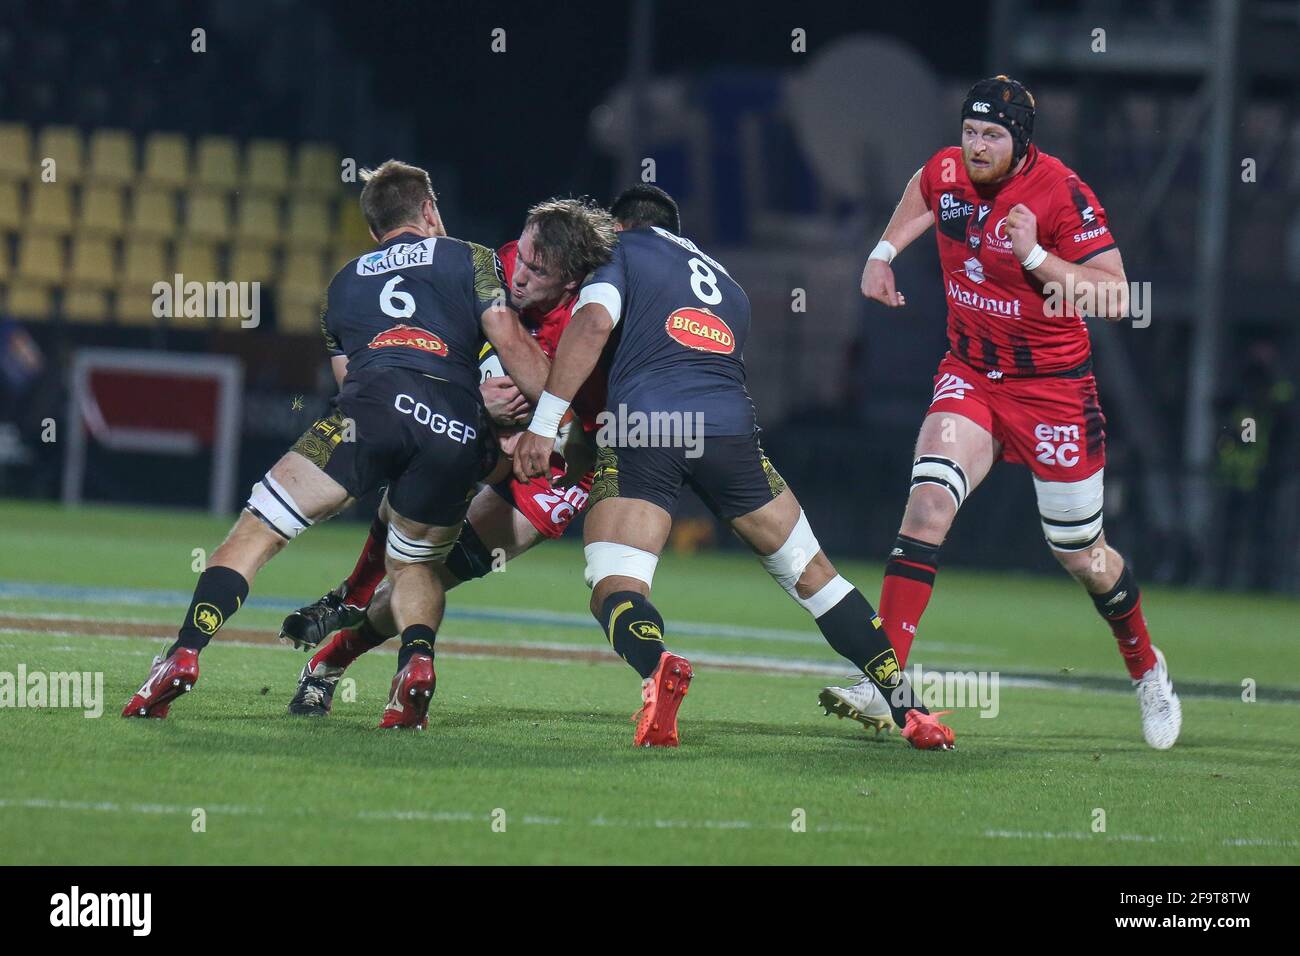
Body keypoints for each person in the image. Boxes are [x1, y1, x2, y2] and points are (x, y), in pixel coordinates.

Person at [514, 184, 954, 749]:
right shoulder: (729, 285)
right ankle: (911, 710)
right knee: (815, 576)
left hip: (644, 427)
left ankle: (657, 668)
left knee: (614, 583)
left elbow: (595, 323)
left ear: (620, 227)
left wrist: (545, 423)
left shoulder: (617, 253)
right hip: (729, 434)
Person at [123, 160, 549, 730]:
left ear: (375, 229)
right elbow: (510, 341)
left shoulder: (344, 283)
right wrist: (549, 409)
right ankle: (415, 665)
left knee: (258, 530)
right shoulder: (468, 258)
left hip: (368, 414)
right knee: (416, 564)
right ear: (428, 209)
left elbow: (350, 382)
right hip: (455, 427)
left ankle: (183, 652)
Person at [835, 75, 1181, 748]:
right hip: (970, 375)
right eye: (970, 131)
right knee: (927, 507)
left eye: (992, 134)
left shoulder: (1061, 193)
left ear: (1021, 142)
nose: (975, 146)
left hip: (1053, 390)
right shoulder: (947, 168)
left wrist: (1036, 256)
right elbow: (922, 189)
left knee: (1081, 554)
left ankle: (1147, 669)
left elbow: (1115, 297)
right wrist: (882, 255)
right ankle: (882, 680)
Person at [280, 197, 618, 716]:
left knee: (431, 575)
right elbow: (440, 341)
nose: (519, 275)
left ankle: (329, 662)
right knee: (418, 506)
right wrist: (475, 402)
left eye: (537, 271)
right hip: (477, 428)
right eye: (521, 257)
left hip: (559, 464)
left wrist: (538, 427)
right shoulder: (498, 267)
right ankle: (352, 592)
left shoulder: (590, 325)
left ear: (571, 283)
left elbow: (585, 423)